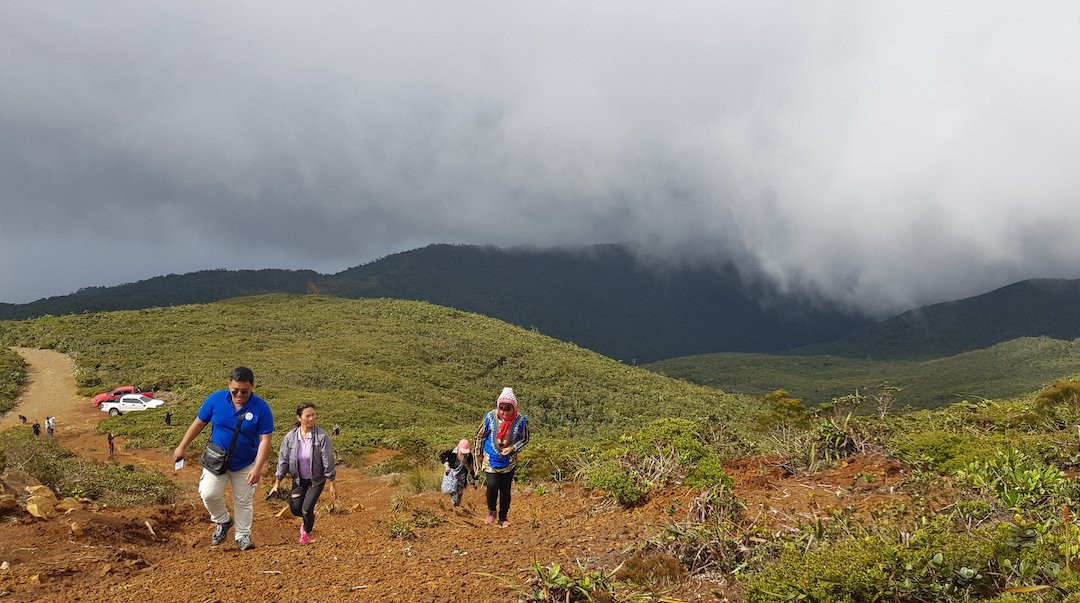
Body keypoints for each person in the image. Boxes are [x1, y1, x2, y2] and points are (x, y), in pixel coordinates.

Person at [172, 367, 274, 551]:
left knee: (243, 500)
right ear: (229, 385)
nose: (239, 395)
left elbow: (265, 440)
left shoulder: (262, 408)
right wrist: (182, 447)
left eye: (244, 391)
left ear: (252, 386)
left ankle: (243, 536)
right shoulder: (215, 400)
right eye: (235, 391)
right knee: (208, 493)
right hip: (217, 459)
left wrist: (258, 467)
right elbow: (198, 424)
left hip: (246, 463)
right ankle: (223, 520)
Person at [273, 402, 336, 544]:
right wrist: (277, 482)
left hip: (316, 480)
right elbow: (283, 459)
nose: (312, 418)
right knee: (296, 510)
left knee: (306, 510)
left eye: (314, 415)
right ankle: (310, 516)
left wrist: (332, 482)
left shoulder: (322, 436)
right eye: (308, 416)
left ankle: (306, 533)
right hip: (299, 480)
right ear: (299, 418)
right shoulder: (290, 437)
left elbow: (328, 459)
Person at [473, 387, 529, 528]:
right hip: (491, 458)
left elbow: (525, 438)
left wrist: (513, 448)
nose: (504, 412)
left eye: (508, 409)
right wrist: (477, 456)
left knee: (505, 490)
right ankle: (491, 511)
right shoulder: (490, 417)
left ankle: (503, 517)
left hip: (508, 461)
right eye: (501, 408)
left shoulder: (521, 420)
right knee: (492, 486)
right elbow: (480, 436)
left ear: (514, 408)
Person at [438, 438, 475, 507]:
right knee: (452, 491)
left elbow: (470, 467)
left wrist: (474, 478)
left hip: (461, 475)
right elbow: (441, 456)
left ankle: (456, 506)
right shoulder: (451, 452)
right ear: (458, 448)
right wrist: (446, 466)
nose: (464, 453)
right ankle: (453, 506)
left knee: (460, 492)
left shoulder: (469, 455)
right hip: (451, 474)